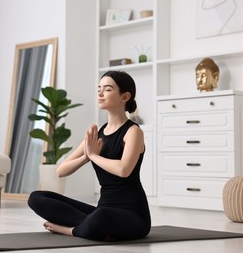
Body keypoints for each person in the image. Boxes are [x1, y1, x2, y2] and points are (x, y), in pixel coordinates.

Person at [28, 70, 151, 241]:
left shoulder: (133, 131)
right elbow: (61, 171)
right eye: (99, 88)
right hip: (102, 210)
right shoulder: (97, 135)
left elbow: (124, 170)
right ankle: (93, 228)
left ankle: (71, 230)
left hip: (133, 215)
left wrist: (93, 156)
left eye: (107, 89)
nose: (100, 93)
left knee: (102, 217)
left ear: (125, 96)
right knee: (37, 198)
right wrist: (86, 157)